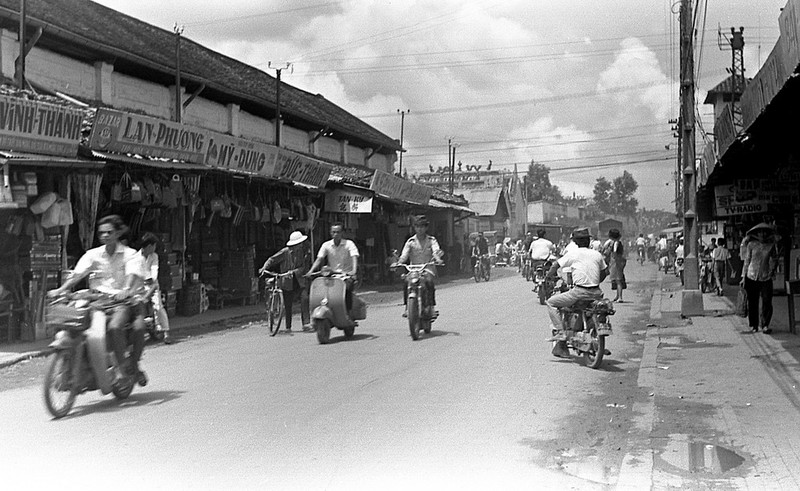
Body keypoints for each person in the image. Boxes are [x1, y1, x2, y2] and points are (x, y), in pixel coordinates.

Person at [48, 215, 148, 386]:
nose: (105, 236)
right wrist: (61, 290)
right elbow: (77, 274)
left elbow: (132, 275)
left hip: (121, 303)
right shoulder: (93, 254)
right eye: (102, 233)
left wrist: (125, 291)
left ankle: (123, 368)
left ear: (117, 233)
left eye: (109, 232)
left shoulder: (130, 255)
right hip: (96, 300)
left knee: (115, 326)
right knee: (69, 320)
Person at [545, 227, 608, 358]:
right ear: (588, 241)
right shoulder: (597, 254)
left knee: (551, 302)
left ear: (575, 242)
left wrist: (548, 277)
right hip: (597, 292)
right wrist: (594, 281)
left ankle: (560, 332)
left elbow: (555, 265)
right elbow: (604, 272)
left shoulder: (573, 253)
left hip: (579, 292)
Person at [260, 230, 312, 332]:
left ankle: (306, 323)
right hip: (287, 282)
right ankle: (288, 327)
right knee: (288, 304)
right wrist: (264, 267)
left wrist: (294, 272)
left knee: (304, 298)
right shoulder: (285, 252)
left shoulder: (303, 252)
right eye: (299, 244)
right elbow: (272, 259)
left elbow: (303, 267)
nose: (301, 245)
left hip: (299, 280)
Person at [394, 215, 444, 317]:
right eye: (417, 226)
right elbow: (404, 255)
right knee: (406, 282)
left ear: (426, 228)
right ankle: (407, 308)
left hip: (427, 269)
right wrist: (398, 262)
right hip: (413, 270)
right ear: (414, 228)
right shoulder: (410, 241)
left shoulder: (431, 240)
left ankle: (431, 308)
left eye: (422, 226)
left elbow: (436, 251)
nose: (420, 229)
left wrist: (437, 258)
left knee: (429, 283)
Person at [308, 223, 360, 311]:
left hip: (346, 275)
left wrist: (353, 271)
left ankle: (347, 312)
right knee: (320, 289)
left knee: (346, 289)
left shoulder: (349, 244)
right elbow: (319, 259)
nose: (336, 234)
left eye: (338, 232)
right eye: (334, 232)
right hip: (331, 275)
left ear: (342, 233)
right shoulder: (326, 245)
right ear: (330, 233)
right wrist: (311, 271)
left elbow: (354, 257)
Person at [740, 223, 779, 334]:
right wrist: (743, 276)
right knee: (752, 301)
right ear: (756, 234)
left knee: (767, 300)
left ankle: (765, 324)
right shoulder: (751, 245)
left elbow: (775, 259)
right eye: (759, 232)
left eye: (764, 232)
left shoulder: (771, 245)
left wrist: (772, 270)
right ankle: (754, 325)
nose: (762, 234)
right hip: (751, 276)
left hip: (766, 276)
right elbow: (747, 261)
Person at [138, 232, 172, 344]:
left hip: (152, 284)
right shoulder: (135, 257)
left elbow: (154, 270)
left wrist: (151, 279)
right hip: (139, 286)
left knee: (158, 307)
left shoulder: (154, 256)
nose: (155, 248)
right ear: (149, 246)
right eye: (154, 245)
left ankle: (166, 332)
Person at [605, 229, 627, 302]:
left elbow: (614, 251)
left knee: (618, 280)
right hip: (617, 262)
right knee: (617, 280)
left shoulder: (616, 243)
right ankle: (617, 296)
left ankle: (620, 297)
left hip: (616, 262)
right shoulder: (616, 242)